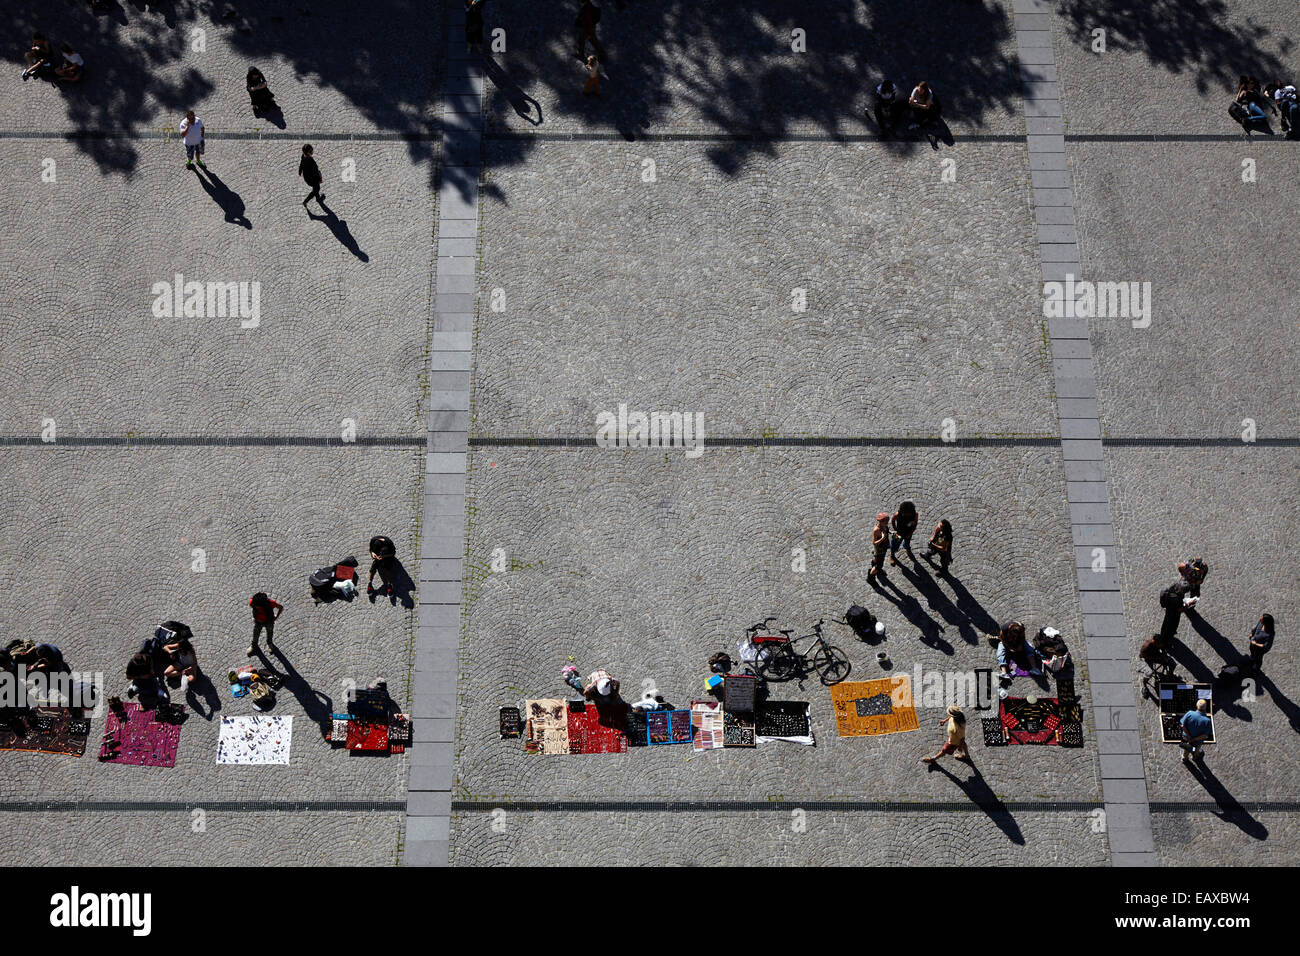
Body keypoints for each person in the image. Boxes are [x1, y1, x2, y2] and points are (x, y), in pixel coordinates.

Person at [1179, 698, 1212, 764]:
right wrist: (1194, 739)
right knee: (1196, 749)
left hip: (1187, 737)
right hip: (1197, 741)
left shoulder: (1190, 713)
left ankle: (1184, 758)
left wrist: (1189, 736)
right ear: (1205, 708)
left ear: (1197, 706)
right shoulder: (1207, 721)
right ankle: (1195, 756)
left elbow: (1182, 726)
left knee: (1187, 748)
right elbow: (1205, 735)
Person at [249, 592, 282, 656]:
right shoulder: (252, 602)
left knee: (270, 632)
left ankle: (270, 643)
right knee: (255, 634)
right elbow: (254, 610)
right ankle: (254, 646)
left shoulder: (271, 603)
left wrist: (276, 616)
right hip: (258, 622)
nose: (255, 607)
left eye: (257, 606)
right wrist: (254, 618)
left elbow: (280, 607)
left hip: (269, 621)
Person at [367, 535, 398, 600]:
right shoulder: (373, 540)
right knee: (373, 568)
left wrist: (384, 556)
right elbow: (371, 550)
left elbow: (393, 553)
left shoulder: (388, 543)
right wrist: (373, 553)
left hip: (387, 558)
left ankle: (389, 585)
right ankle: (370, 583)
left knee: (387, 569)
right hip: (378, 558)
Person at [889, 500, 918, 566]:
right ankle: (892, 554)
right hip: (898, 532)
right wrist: (895, 529)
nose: (902, 513)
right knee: (894, 543)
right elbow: (893, 520)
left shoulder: (915, 514)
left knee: (907, 542)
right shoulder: (898, 514)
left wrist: (910, 533)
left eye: (904, 512)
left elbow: (915, 524)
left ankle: (907, 549)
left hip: (908, 532)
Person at [298, 144, 325, 208]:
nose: (312, 152)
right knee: (316, 189)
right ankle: (306, 201)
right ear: (308, 152)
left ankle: (318, 198)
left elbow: (301, 164)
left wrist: (300, 170)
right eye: (311, 151)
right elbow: (315, 172)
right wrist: (320, 179)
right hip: (313, 179)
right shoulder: (311, 161)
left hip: (307, 177)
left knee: (315, 189)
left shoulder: (303, 156)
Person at [867, 512, 890, 580]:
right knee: (879, 565)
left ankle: (874, 564)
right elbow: (874, 543)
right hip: (879, 549)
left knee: (876, 559)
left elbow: (886, 531)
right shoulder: (876, 530)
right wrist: (883, 538)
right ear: (881, 521)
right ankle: (870, 578)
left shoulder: (884, 525)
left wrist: (891, 532)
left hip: (884, 547)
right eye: (886, 521)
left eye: (887, 521)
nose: (887, 523)